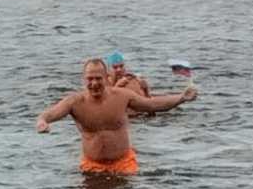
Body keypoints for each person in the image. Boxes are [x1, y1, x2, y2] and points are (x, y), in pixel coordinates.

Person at [36, 58, 197, 175]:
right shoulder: (75, 102)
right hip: (91, 166)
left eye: (98, 78)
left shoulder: (122, 96)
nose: (94, 83)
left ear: (106, 78)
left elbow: (152, 105)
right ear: (83, 80)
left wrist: (181, 98)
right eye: (90, 79)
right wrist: (43, 120)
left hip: (124, 164)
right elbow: (52, 112)